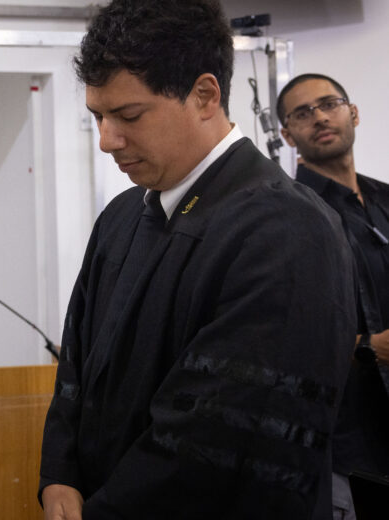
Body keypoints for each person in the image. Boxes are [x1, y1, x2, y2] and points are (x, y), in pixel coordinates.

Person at [39, 1, 355, 518]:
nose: (106, 141)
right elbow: (75, 365)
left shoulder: (286, 231)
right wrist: (59, 476)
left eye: (128, 115)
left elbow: (228, 440)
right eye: (98, 116)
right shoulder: (121, 217)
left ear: (205, 95)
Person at [278, 73, 389, 519]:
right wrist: (367, 348)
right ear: (287, 134)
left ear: (353, 112)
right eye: (303, 113)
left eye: (329, 104)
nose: (320, 117)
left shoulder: (384, 198)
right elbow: (276, 334)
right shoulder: (286, 211)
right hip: (340, 446)